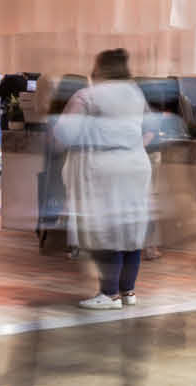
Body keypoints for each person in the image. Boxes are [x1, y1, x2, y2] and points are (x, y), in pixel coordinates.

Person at [53, 48, 152, 310]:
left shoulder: (87, 96)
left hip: (103, 167)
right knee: (131, 229)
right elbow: (148, 130)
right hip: (135, 163)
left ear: (100, 68)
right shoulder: (135, 93)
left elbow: (64, 133)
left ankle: (109, 294)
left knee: (106, 231)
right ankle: (128, 291)